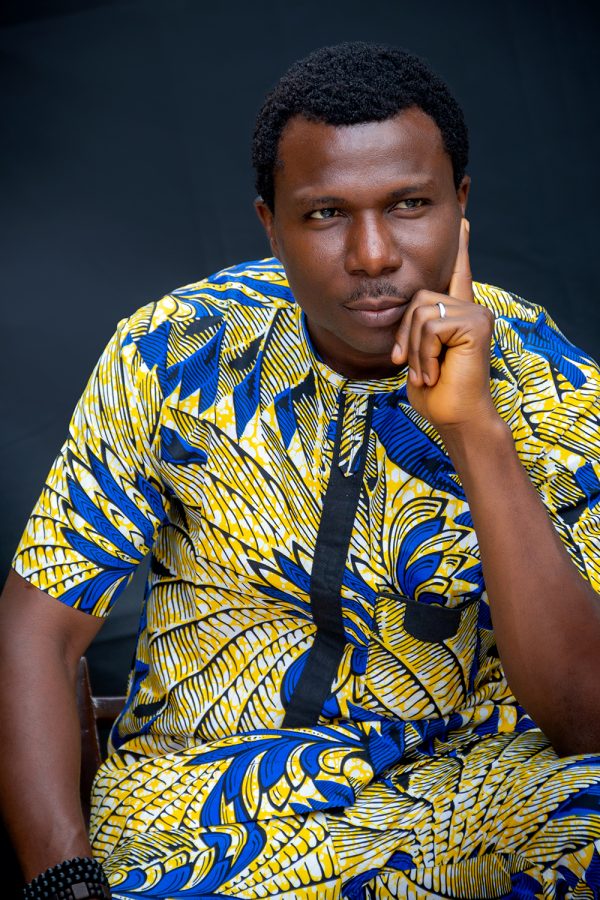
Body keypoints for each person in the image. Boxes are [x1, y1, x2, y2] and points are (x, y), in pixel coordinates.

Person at [1, 41, 600, 900]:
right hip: (199, 813)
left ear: (460, 205)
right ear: (271, 225)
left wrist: (475, 432)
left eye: (409, 204)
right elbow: (39, 630)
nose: (373, 254)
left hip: (460, 802)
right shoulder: (175, 350)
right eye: (325, 214)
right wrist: (63, 880)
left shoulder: (549, 382)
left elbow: (587, 718)